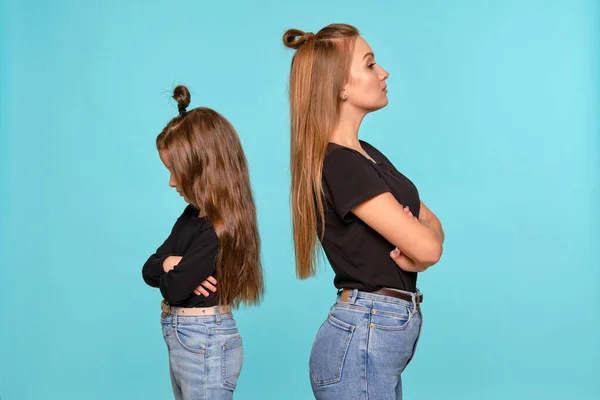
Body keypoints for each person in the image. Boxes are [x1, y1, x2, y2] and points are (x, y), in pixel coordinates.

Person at [283, 24, 445, 399]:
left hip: (374, 339)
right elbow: (429, 245)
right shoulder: (342, 165)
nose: (383, 72)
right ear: (341, 86)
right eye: (370, 65)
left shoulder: (368, 155)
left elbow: (432, 227)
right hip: (364, 338)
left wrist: (422, 251)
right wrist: (422, 249)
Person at [142, 85, 264, 400]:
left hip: (203, 340)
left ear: (202, 169)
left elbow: (173, 288)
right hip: (187, 337)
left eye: (175, 171)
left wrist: (171, 270)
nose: (170, 182)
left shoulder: (219, 228)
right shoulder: (190, 216)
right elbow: (149, 268)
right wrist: (171, 264)